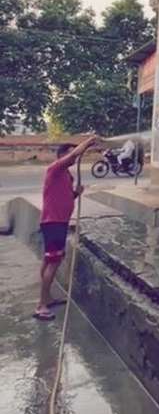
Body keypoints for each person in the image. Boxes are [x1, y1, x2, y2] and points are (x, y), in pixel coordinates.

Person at [34, 135, 96, 322]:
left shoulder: (67, 176)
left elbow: (66, 198)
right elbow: (75, 154)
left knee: (50, 260)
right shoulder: (54, 169)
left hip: (57, 222)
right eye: (70, 156)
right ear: (61, 156)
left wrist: (76, 193)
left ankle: (47, 298)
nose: (74, 159)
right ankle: (41, 306)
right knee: (53, 262)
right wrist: (88, 142)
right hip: (53, 223)